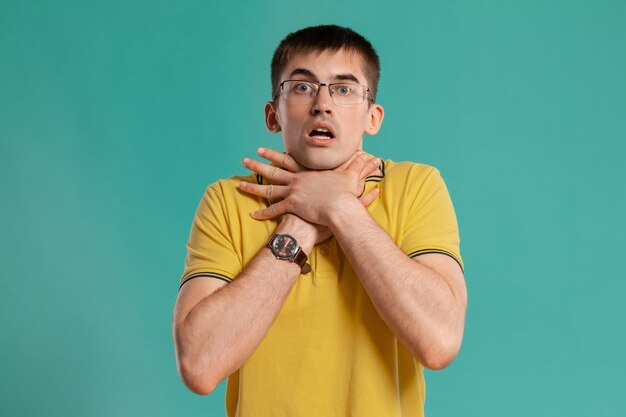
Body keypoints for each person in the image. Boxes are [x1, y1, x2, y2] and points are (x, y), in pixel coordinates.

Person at [173, 24, 467, 417]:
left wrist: (339, 209)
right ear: (272, 115)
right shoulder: (227, 200)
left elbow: (439, 341)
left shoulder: (416, 186)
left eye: (343, 89)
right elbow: (199, 366)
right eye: (302, 86)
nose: (322, 104)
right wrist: (301, 223)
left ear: (372, 117)